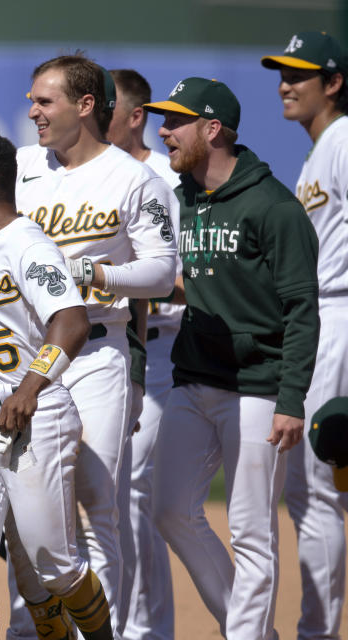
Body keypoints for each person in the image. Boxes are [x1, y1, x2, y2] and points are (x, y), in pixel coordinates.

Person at [145, 76, 319, 639]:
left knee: (251, 532)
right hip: (195, 381)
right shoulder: (185, 196)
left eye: (176, 121)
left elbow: (300, 309)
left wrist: (291, 400)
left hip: (258, 388)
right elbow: (201, 284)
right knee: (171, 510)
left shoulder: (274, 208)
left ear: (212, 128)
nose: (163, 131)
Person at [14, 54, 179, 635]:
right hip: (26, 350)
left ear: (85, 106)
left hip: (98, 350)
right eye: (32, 99)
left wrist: (100, 276)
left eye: (45, 101)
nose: (33, 110)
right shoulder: (21, 167)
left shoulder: (136, 178)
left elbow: (162, 272)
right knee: (26, 503)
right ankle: (30, 627)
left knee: (96, 507)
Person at [0, 131, 112, 640]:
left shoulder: (29, 245)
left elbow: (72, 320)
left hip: (30, 420)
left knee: (55, 566)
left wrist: (32, 385)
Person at [261, 30, 348, 640]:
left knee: (315, 489)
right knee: (315, 489)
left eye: (300, 74)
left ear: (335, 82)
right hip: (323, 317)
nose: (286, 84)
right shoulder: (320, 150)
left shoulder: (344, 141)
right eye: (282, 73)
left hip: (338, 317)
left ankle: (316, 632)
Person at [105, 67, 179, 640]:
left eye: (108, 108)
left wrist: (117, 279)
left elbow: (175, 276)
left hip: (162, 351)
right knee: (113, 493)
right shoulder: (89, 178)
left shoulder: (162, 180)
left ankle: (145, 631)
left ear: (136, 117)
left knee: (134, 495)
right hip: (112, 349)